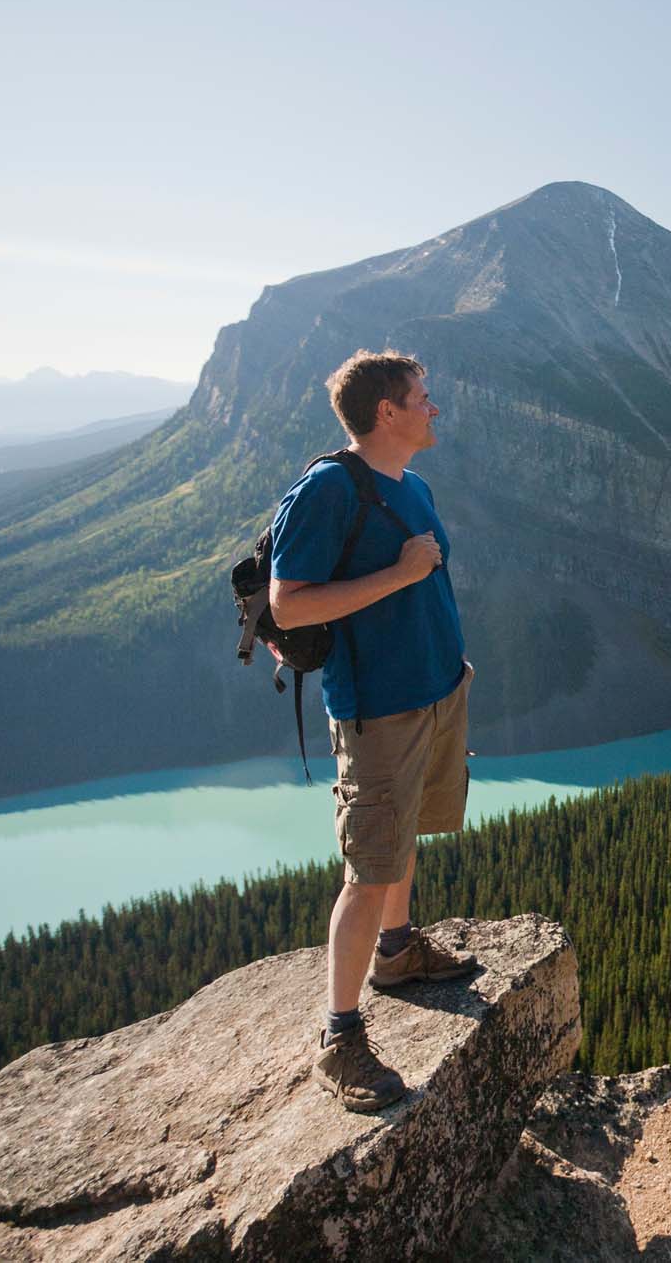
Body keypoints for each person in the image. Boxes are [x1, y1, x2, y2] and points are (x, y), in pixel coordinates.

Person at [268, 348, 478, 1111]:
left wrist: (452, 662)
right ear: (386, 412)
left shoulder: (412, 485)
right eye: (423, 396)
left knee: (404, 833)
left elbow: (428, 580)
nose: (433, 407)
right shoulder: (327, 491)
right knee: (367, 866)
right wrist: (400, 573)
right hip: (377, 708)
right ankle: (339, 1035)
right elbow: (289, 604)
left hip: (433, 690)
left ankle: (396, 951)